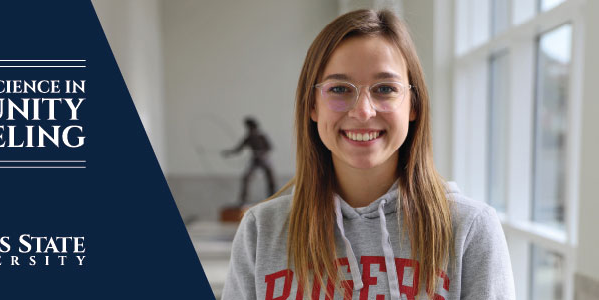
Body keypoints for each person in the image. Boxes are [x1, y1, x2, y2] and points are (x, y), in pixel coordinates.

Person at [221, 9, 515, 300]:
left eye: (385, 88)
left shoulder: (470, 229)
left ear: (413, 105)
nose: (362, 111)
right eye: (339, 89)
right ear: (312, 106)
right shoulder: (261, 231)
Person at [222, 117, 276, 206]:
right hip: (254, 160)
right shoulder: (248, 138)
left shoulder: (261, 136)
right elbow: (238, 149)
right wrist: (228, 153)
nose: (250, 130)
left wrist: (261, 153)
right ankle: (243, 199)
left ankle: (273, 197)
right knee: (246, 178)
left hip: (264, 159)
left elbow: (270, 148)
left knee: (271, 179)